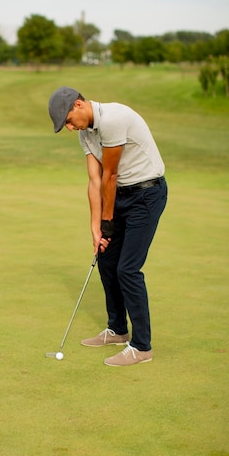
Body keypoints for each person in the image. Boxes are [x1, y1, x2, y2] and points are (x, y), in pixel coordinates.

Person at [48, 86, 167, 367]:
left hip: (146, 195)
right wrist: (95, 228)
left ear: (78, 105)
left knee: (128, 268)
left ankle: (141, 347)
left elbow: (110, 175)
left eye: (67, 120)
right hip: (122, 194)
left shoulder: (113, 119)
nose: (69, 128)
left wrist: (108, 222)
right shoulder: (85, 133)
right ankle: (117, 329)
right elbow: (95, 180)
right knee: (107, 259)